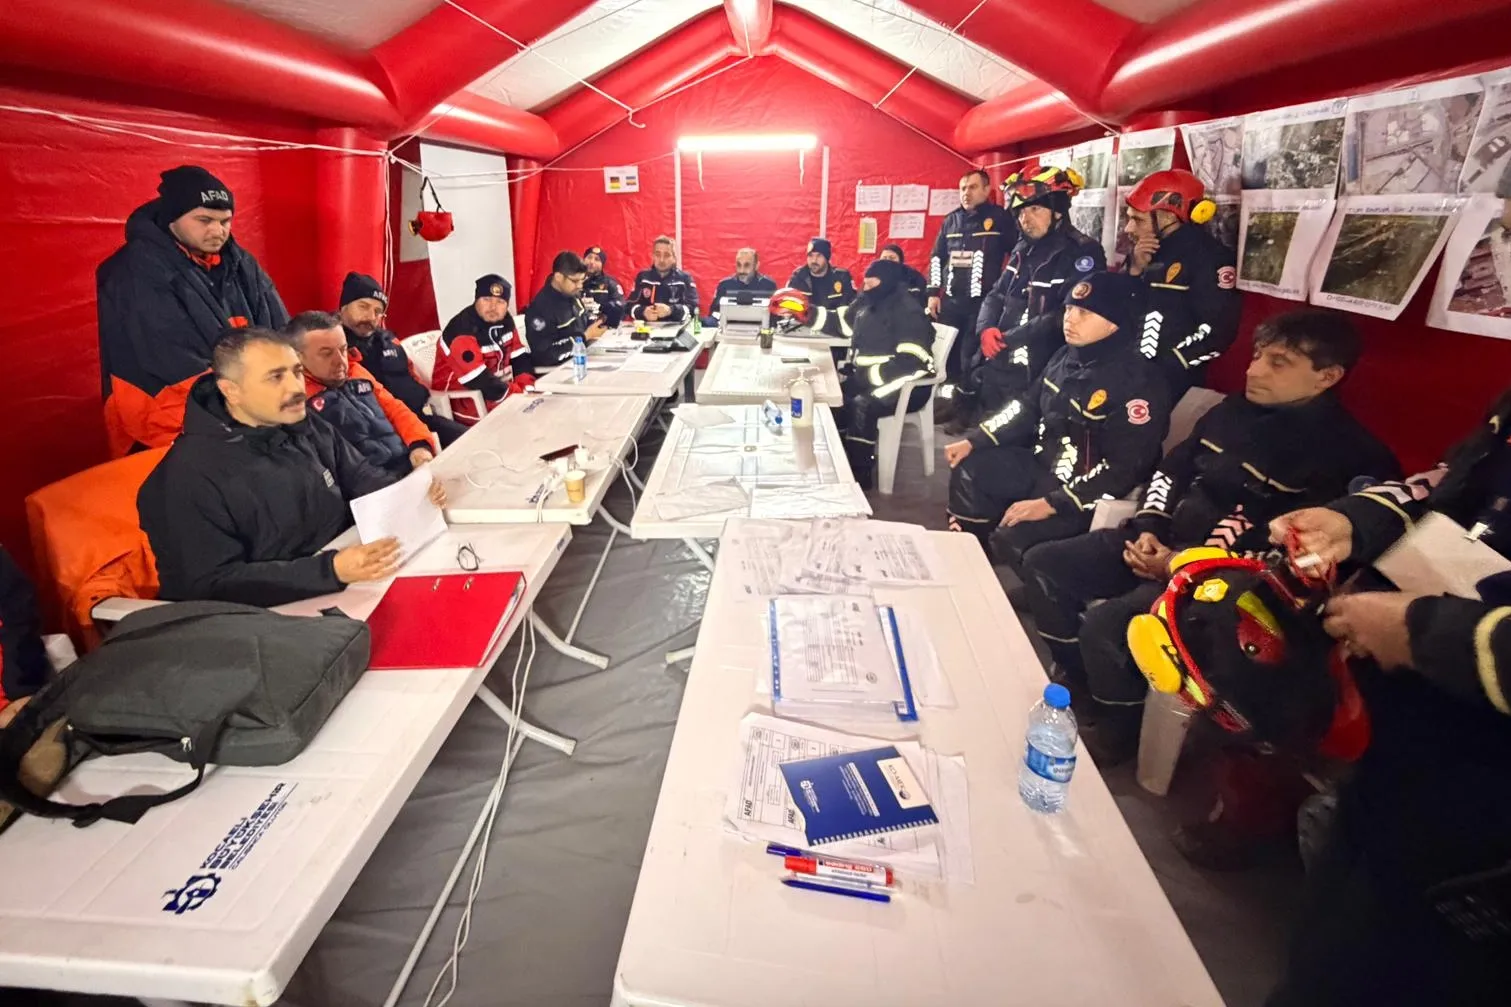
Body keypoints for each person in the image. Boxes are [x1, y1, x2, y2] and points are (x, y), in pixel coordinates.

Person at [1020, 310, 1400, 763]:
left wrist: (1178, 563)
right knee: (1043, 564)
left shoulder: (1353, 457)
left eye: (1278, 363)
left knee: (1108, 626)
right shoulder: (1231, 412)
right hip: (1161, 541)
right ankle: (1081, 681)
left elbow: (1292, 557)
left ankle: (1118, 728)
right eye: (1257, 356)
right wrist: (1150, 526)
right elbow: (1171, 470)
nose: (1253, 370)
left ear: (1327, 376)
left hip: (1228, 588)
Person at [1258, 391, 1511, 1006]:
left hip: (1487, 820)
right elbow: (1454, 485)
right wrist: (1353, 522)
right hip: (1416, 745)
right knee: (1327, 953)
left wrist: (1426, 632)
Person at [138, 328, 445, 608]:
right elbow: (208, 584)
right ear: (231, 391)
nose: (296, 387)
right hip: (267, 618)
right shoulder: (184, 478)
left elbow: (362, 477)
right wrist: (330, 570)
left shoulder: (304, 424)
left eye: (297, 371)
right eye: (275, 377)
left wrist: (411, 491)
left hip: (352, 579)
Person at [944, 271, 1169, 562]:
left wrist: (1053, 503)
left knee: (1011, 540)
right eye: (1069, 309)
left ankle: (995, 566)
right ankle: (967, 558)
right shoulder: (1064, 356)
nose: (1070, 319)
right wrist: (976, 440)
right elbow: (1025, 408)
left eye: (1084, 313)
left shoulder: (1140, 382)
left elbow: (1123, 471)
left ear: (1115, 323)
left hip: (1083, 494)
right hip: (1043, 466)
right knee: (969, 469)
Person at [96, 165, 289, 456]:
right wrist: (246, 408)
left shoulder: (240, 264)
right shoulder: (133, 270)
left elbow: (278, 331)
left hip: (239, 412)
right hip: (162, 423)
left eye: (225, 221)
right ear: (172, 218)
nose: (218, 231)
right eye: (204, 220)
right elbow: (168, 360)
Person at [947, 164, 1105, 432]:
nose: (1025, 219)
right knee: (987, 423)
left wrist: (1009, 339)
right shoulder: (1023, 247)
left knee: (1018, 432)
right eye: (1021, 212)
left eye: (1035, 210)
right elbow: (997, 293)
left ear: (1057, 210)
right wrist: (986, 329)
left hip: (1043, 363)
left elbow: (1066, 314)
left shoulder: (1082, 252)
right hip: (1003, 356)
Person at [771, 260, 936, 487]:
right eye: (864, 284)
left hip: (909, 383)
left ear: (887, 283)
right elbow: (841, 323)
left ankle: (860, 475)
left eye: (871, 284)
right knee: (834, 399)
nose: (865, 289)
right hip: (873, 377)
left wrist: (868, 377)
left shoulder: (908, 312)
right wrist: (806, 313)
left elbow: (911, 362)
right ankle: (839, 459)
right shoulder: (867, 302)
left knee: (861, 406)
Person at [1122, 169, 1242, 394]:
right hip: (1125, 371)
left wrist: (1171, 364)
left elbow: (1219, 332)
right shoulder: (1143, 252)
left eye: (1137, 219)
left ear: (1168, 217)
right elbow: (1119, 307)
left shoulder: (1210, 257)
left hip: (1171, 384)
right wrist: (1135, 269)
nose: (1128, 228)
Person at [290, 311, 436, 476]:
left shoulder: (356, 371)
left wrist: (420, 445)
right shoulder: (298, 401)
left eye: (343, 349)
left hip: (408, 463)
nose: (341, 361)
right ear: (297, 358)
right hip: (371, 483)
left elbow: (395, 409)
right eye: (326, 354)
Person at [337, 272, 465, 447]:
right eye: (363, 306)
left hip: (417, 419)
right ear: (344, 307)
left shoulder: (389, 341)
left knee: (472, 440)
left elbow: (412, 376)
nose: (371, 317)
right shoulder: (335, 349)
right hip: (378, 435)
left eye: (378, 312)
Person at [926, 168, 1015, 394]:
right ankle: (945, 398)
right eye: (963, 188)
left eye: (973, 187)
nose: (966, 193)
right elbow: (936, 258)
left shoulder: (1000, 218)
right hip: (952, 300)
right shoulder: (951, 220)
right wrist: (933, 293)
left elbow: (1017, 255)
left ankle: (966, 399)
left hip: (983, 302)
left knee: (970, 354)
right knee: (945, 351)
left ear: (986, 190)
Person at [435, 274, 536, 423]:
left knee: (540, 409)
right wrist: (518, 394)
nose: (493, 307)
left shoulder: (506, 321)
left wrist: (527, 386)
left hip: (496, 392)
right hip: (463, 401)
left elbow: (519, 357)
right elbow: (478, 380)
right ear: (476, 300)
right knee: (525, 420)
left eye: (500, 302)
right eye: (486, 299)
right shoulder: (461, 330)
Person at [525, 251, 610, 366]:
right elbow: (544, 355)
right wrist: (585, 337)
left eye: (582, 280)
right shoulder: (540, 309)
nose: (580, 285)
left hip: (582, 358)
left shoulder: (571, 293)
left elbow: (583, 323)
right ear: (558, 277)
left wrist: (598, 324)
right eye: (575, 281)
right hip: (557, 370)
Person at [628, 236, 699, 323]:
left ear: (674, 258)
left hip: (676, 327)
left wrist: (671, 310)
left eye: (667, 255)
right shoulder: (643, 277)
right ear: (653, 256)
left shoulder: (684, 279)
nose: (661, 260)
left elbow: (694, 308)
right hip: (647, 328)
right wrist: (643, 312)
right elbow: (629, 306)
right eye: (658, 255)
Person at [784, 238, 856, 323]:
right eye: (810, 255)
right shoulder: (798, 277)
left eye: (819, 256)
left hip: (833, 326)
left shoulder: (841, 277)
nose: (814, 260)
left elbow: (852, 306)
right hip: (804, 326)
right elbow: (788, 305)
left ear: (827, 257)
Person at [707, 247, 777, 325]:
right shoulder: (725, 285)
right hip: (729, 329)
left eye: (747, 265)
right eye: (738, 265)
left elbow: (775, 317)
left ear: (756, 265)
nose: (741, 270)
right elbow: (715, 313)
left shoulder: (768, 285)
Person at [581, 245, 626, 326]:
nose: (592, 262)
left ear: (602, 264)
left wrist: (602, 308)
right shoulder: (575, 281)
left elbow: (621, 307)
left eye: (597, 259)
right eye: (589, 257)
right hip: (578, 327)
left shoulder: (610, 283)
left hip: (602, 326)